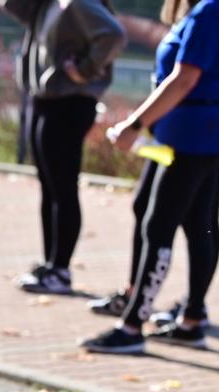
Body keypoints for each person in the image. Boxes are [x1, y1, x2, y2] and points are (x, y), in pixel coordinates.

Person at [83, 0, 219, 353]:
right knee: (193, 223)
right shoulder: (201, 11)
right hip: (186, 135)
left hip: (192, 138)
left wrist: (134, 124)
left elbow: (184, 79)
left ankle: (132, 327)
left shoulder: (209, 10)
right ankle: (191, 321)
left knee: (160, 226)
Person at [1, 0, 126, 295]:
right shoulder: (47, 4)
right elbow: (13, 6)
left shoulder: (79, 3)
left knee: (63, 188)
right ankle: (51, 264)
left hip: (69, 102)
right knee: (49, 188)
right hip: (44, 99)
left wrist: (85, 70)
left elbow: (114, 35)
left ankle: (61, 270)